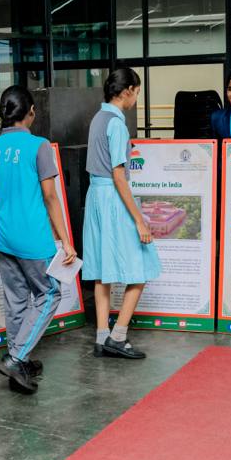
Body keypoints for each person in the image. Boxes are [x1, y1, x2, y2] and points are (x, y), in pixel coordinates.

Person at [0, 86, 77, 394]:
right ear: (31, 111)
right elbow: (50, 196)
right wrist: (66, 240)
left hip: (4, 237)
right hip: (32, 238)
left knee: (16, 299)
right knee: (50, 294)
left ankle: (19, 362)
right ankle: (17, 356)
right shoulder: (40, 146)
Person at [82, 67, 161, 359]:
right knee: (140, 267)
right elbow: (118, 176)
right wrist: (139, 220)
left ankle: (102, 337)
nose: (136, 99)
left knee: (103, 271)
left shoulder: (97, 118)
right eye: (137, 92)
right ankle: (118, 335)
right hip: (112, 198)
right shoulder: (116, 124)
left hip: (95, 198)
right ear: (127, 90)